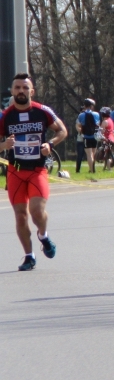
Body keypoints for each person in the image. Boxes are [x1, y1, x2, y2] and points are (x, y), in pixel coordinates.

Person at [0, 74, 67, 272]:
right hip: (16, 171)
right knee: (21, 216)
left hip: (37, 170)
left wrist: (50, 144)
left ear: (32, 91)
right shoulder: (5, 116)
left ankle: (43, 235)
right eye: (17, 88)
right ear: (12, 91)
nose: (21, 91)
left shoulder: (42, 111)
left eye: (25, 87)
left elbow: (62, 131)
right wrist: (3, 145)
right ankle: (29, 256)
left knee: (37, 211)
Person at [76, 99, 99, 173]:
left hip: (86, 136)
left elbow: (79, 125)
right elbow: (97, 124)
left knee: (89, 155)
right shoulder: (96, 114)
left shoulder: (81, 115)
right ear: (91, 106)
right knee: (93, 154)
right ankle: (93, 168)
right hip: (95, 137)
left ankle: (91, 170)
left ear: (85, 106)